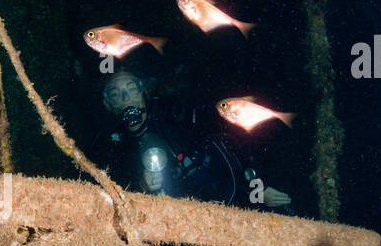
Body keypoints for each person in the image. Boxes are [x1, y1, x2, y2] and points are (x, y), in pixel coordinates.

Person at [100, 68, 293, 210]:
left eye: (132, 89)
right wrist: (140, 185)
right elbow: (114, 191)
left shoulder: (174, 113)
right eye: (116, 94)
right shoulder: (113, 145)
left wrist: (257, 187)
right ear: (109, 105)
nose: (126, 98)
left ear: (143, 92)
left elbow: (235, 135)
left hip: (230, 191)